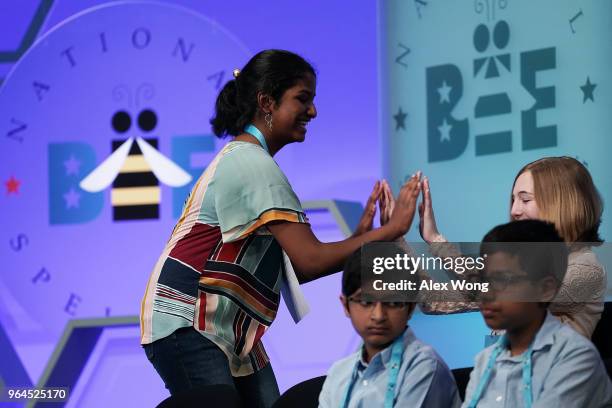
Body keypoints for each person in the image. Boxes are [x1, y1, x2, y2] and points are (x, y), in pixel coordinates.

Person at [139, 49, 420, 408]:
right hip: (188, 319)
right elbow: (310, 260)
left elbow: (295, 266)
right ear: (266, 102)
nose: (313, 111)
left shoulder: (250, 160)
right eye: (303, 99)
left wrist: (359, 238)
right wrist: (391, 230)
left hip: (231, 329)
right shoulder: (251, 163)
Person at [385, 157, 607, 337]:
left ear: (561, 205)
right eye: (513, 201)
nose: (514, 211)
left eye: (525, 200)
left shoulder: (586, 269)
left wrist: (436, 241)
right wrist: (397, 237)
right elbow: (432, 301)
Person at [463, 220, 612, 407]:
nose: (486, 293)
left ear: (546, 289)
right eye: (483, 280)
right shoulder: (484, 361)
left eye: (502, 280)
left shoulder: (576, 356)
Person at [318, 243, 461, 408]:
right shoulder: (338, 373)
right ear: (345, 305)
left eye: (392, 302)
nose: (378, 316)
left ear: (411, 307)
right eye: (366, 301)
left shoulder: (424, 367)